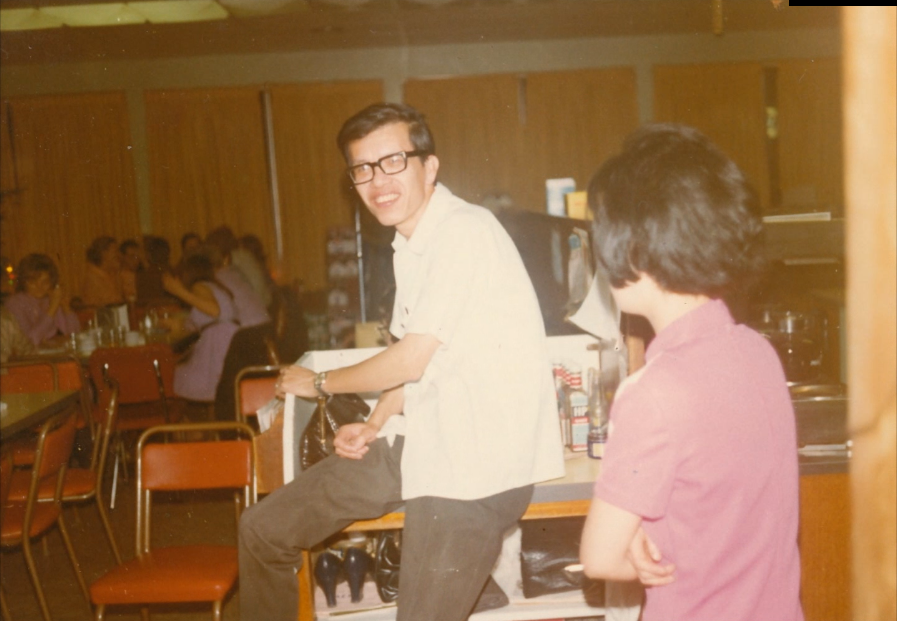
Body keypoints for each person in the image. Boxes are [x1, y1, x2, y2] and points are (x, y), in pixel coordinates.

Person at [238, 102, 565, 621]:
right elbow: (416, 365)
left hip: (473, 471)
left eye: (393, 161)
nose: (377, 181)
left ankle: (460, 582)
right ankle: (467, 586)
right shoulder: (409, 244)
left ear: (429, 167)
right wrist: (373, 422)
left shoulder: (464, 231)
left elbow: (408, 361)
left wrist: (318, 383)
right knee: (263, 528)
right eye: (362, 169)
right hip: (423, 444)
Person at [578, 124, 803, 621]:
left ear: (632, 249)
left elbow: (598, 557)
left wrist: (633, 544)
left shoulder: (653, 393)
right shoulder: (757, 352)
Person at [161, 252, 240, 403]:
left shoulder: (200, 286)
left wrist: (179, 291)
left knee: (172, 374)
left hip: (217, 352)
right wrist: (179, 324)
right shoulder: (213, 287)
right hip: (226, 348)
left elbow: (214, 310)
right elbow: (204, 320)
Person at [5, 253, 80, 347]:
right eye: (33, 282)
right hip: (26, 359)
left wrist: (66, 307)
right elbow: (30, 341)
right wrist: (52, 309)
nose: (39, 287)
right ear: (24, 282)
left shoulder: (49, 300)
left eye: (45, 282)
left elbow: (74, 336)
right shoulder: (15, 303)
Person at [81, 235, 124, 307]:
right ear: (104, 253)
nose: (119, 255)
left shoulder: (112, 274)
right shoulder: (93, 279)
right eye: (115, 251)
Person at [118, 238, 142, 303]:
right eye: (132, 257)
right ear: (122, 257)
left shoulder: (142, 275)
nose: (136, 260)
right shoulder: (118, 276)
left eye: (137, 257)